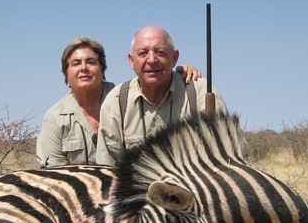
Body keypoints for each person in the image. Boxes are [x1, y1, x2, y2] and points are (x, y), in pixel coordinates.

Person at [36, 37, 201, 167]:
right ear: (65, 73)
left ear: (103, 69)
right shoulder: (55, 118)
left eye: (91, 62)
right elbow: (55, 176)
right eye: (76, 63)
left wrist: (177, 72)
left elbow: (150, 81)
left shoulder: (122, 99)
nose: (84, 68)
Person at [95, 26, 227, 165]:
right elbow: (107, 168)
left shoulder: (201, 92)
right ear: (131, 61)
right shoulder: (116, 101)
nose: (151, 60)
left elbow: (227, 160)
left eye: (160, 52)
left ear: (174, 57)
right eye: (143, 53)